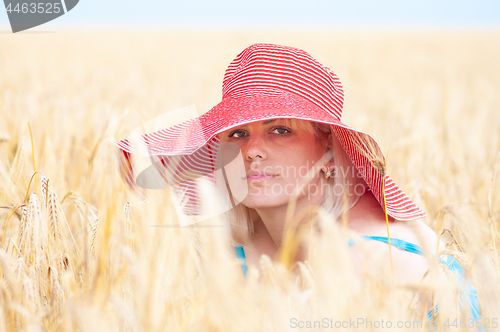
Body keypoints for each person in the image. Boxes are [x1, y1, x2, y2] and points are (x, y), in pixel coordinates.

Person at [116, 43, 481, 327]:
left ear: (327, 148)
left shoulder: (378, 268)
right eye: (238, 133)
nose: (252, 151)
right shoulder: (233, 252)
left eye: (280, 130)